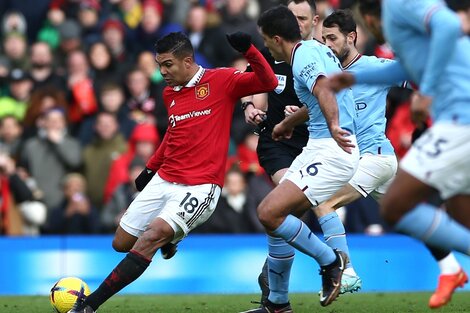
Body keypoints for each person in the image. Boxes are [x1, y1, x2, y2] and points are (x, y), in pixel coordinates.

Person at [68, 31, 277, 313]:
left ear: (188, 61)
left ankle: (88, 306)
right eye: (159, 65)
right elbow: (173, 134)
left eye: (167, 64)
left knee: (152, 236)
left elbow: (269, 81)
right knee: (121, 242)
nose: (162, 72)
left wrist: (250, 50)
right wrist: (151, 168)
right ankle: (172, 237)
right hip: (166, 177)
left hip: (200, 186)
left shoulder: (222, 80)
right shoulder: (169, 93)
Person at [329, 0, 470, 308]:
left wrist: (428, 92)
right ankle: (450, 269)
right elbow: (406, 68)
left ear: (366, 19)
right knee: (460, 210)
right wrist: (354, 78)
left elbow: (447, 25)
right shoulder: (402, 29)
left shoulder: (398, 4)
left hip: (461, 119)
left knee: (395, 208)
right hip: (456, 118)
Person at [249, 5, 359, 311]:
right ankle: (277, 303)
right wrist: (286, 124)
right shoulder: (313, 49)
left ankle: (330, 260)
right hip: (319, 146)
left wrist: (335, 126)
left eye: (266, 41)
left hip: (332, 150)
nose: (267, 48)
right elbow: (317, 99)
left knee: (269, 212)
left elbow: (324, 89)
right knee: (278, 220)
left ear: (275, 38)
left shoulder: (303, 58)